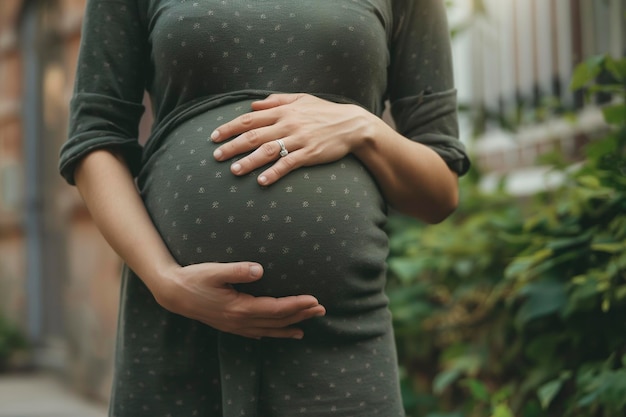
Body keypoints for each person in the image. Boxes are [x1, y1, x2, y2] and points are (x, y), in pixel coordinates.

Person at [59, 0, 470, 416]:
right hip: (179, 327)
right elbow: (96, 137)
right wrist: (165, 281)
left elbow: (439, 192)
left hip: (338, 341)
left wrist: (362, 128)